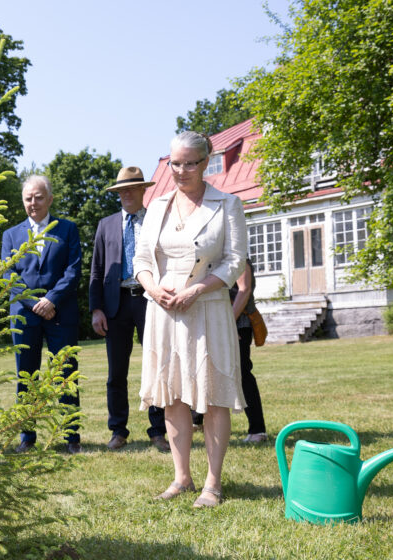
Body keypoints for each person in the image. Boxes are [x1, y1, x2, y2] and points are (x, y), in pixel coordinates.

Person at [135, 131, 247, 508]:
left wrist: (198, 289)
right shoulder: (156, 205)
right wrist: (152, 288)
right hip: (164, 310)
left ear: (206, 163)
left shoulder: (228, 203)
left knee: (214, 394)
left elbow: (234, 262)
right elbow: (141, 262)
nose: (181, 171)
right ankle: (181, 477)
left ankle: (212, 484)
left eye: (189, 163)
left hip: (209, 306)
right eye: (174, 163)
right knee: (173, 393)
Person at [89, 166, 170, 453]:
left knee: (157, 366)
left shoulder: (157, 221)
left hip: (150, 301)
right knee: (116, 372)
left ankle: (158, 430)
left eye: (132, 188)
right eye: (121, 190)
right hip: (116, 303)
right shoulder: (106, 225)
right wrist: (96, 308)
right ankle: (118, 429)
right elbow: (97, 270)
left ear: (143, 190)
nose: (126, 194)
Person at [1, 175, 83, 454]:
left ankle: (71, 436)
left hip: (61, 312)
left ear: (49, 199)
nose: (33, 203)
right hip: (25, 315)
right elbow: (9, 275)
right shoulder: (10, 235)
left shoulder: (68, 229)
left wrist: (51, 300)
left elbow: (73, 272)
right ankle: (27, 436)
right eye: (28, 198)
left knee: (66, 373)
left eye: (38, 197)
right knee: (27, 375)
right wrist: (34, 302)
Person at [191, 258, 267, 443]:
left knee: (241, 373)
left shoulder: (238, 258)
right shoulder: (210, 259)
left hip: (236, 323)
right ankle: (196, 420)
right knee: (203, 369)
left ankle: (258, 430)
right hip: (210, 321)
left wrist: (228, 324)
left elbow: (244, 289)